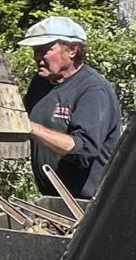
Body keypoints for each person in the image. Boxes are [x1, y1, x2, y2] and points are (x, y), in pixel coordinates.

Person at [16, 14, 124, 200]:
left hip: (89, 203)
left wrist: (31, 128)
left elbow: (84, 150)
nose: (37, 57)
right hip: (53, 198)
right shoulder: (40, 83)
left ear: (72, 50)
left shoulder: (93, 90)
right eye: (35, 50)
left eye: (45, 50)